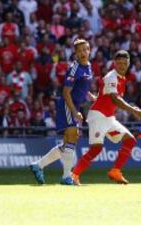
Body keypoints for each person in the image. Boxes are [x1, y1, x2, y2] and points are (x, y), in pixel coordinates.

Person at [72, 50, 141, 185]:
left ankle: (115, 171)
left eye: (124, 63)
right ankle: (74, 175)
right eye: (119, 63)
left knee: (130, 140)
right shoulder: (112, 76)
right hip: (98, 116)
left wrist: (98, 97)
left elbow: (107, 96)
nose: (122, 66)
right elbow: (115, 98)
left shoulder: (122, 78)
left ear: (128, 63)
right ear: (114, 64)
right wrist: (133, 110)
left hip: (109, 118)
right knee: (96, 148)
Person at [29, 39, 95, 185]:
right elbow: (66, 92)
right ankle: (66, 177)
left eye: (86, 49)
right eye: (81, 50)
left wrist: (89, 95)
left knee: (69, 142)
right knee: (73, 135)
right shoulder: (74, 68)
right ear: (76, 53)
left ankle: (38, 165)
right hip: (67, 104)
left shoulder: (89, 66)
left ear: (89, 50)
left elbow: (82, 85)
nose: (84, 52)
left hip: (75, 105)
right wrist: (74, 112)